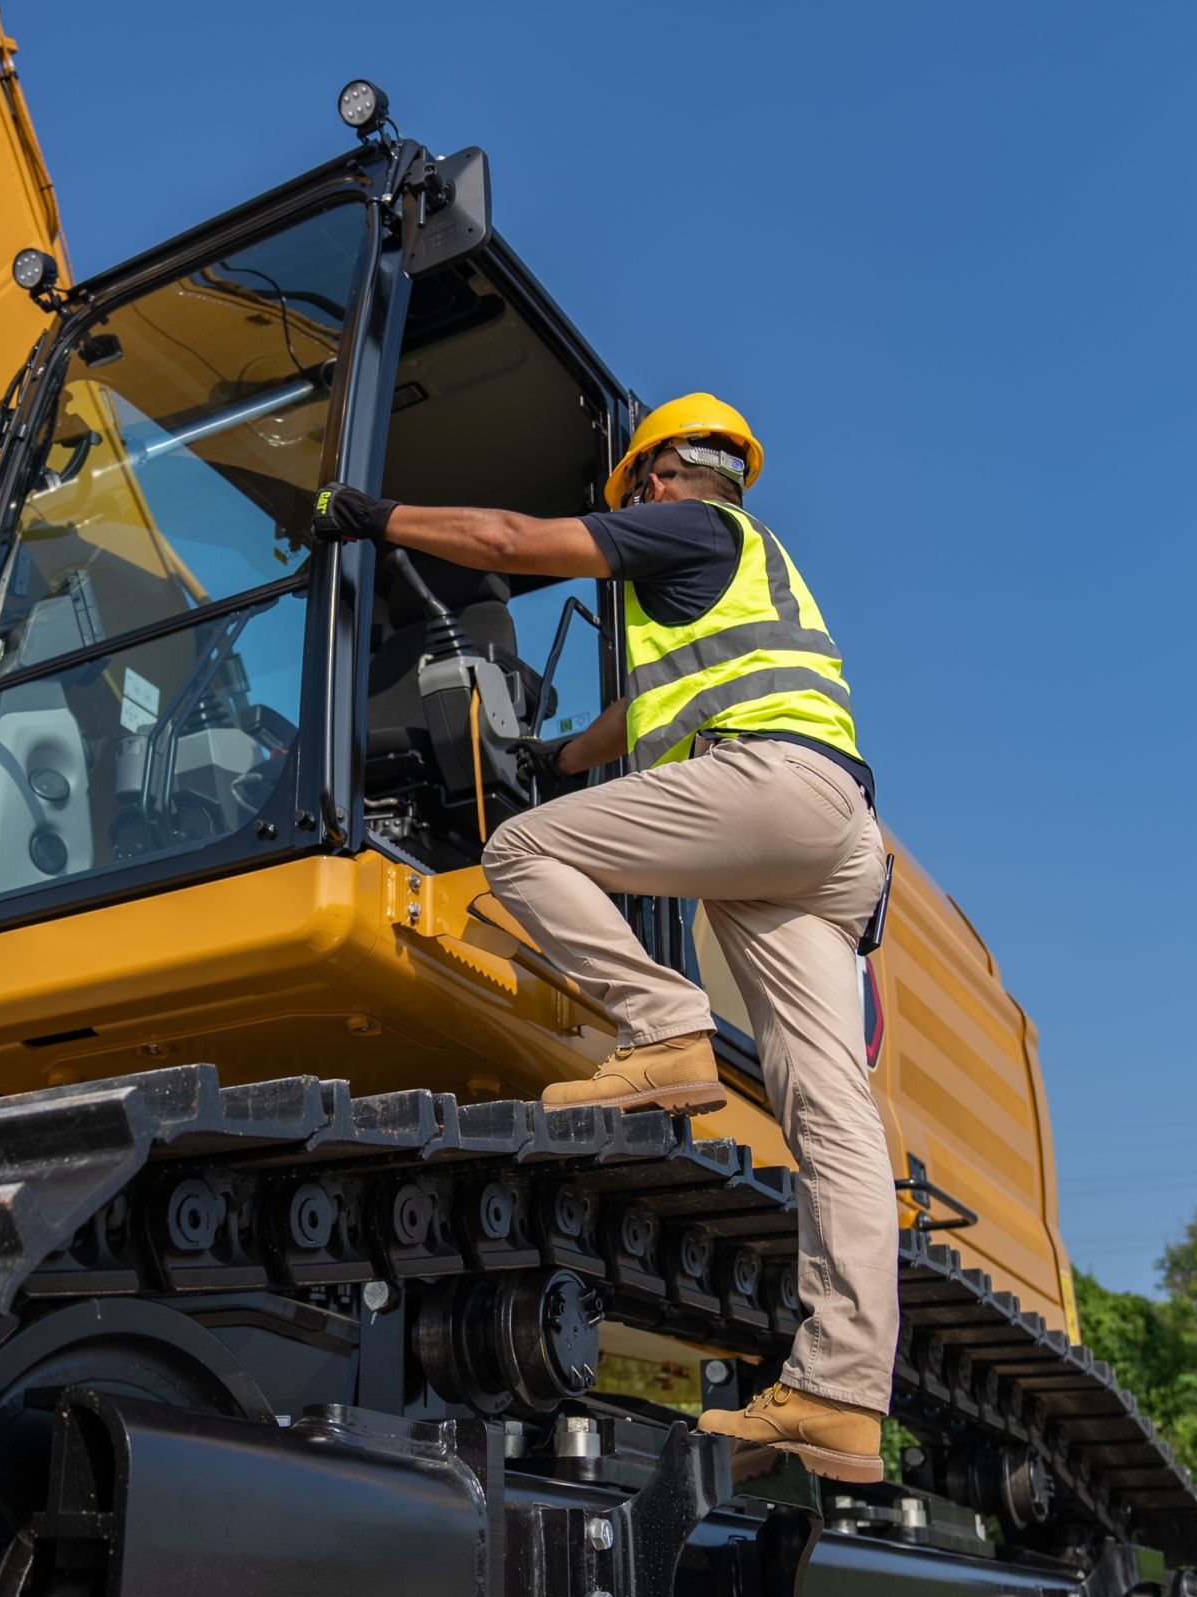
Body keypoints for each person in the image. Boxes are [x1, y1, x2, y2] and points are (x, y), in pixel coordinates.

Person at [309, 393, 896, 1481]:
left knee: (525, 852)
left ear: (657, 477)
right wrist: (553, 758)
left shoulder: (686, 526)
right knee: (833, 1121)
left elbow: (506, 543)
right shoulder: (756, 570)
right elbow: (628, 723)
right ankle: (842, 1395)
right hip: (834, 838)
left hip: (764, 792)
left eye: (632, 489)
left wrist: (370, 515)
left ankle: (665, 1028)